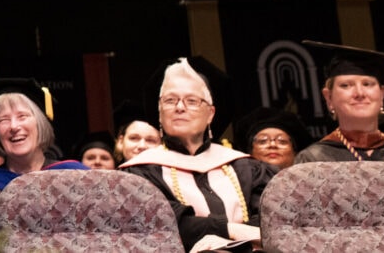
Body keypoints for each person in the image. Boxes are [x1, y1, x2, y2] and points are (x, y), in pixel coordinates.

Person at [119, 57, 276, 253]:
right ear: (160, 113)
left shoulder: (246, 167)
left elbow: (270, 218)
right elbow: (161, 220)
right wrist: (231, 230)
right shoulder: (141, 171)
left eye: (192, 101)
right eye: (170, 100)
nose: (179, 107)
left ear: (210, 113)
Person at [0, 78, 88, 252]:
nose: (14, 126)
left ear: (40, 123)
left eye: (22, 116)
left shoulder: (77, 177)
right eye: (3, 120)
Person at [294, 45, 384, 165]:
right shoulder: (314, 159)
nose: (359, 93)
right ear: (329, 97)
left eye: (367, 84)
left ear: (382, 95)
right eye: (346, 85)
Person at [234, 106, 313, 170]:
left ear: (295, 152)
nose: (272, 144)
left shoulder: (310, 183)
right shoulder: (237, 186)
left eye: (282, 141)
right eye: (263, 141)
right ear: (250, 152)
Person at [113, 99, 162, 164]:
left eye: (150, 140)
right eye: (134, 138)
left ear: (161, 145)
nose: (142, 146)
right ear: (121, 142)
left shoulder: (171, 173)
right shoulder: (110, 174)